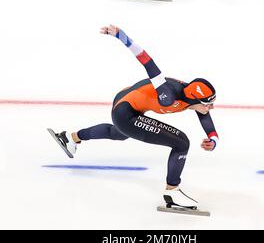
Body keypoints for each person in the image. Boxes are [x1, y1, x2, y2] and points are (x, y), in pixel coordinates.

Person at [49, 25, 219, 210]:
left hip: (130, 103)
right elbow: (147, 61)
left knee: (119, 133)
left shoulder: (192, 97)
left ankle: (70, 137)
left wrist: (213, 138)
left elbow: (205, 116)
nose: (210, 108)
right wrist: (121, 36)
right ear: (195, 99)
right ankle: (172, 191)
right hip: (125, 109)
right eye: (208, 104)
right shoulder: (168, 96)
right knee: (181, 142)